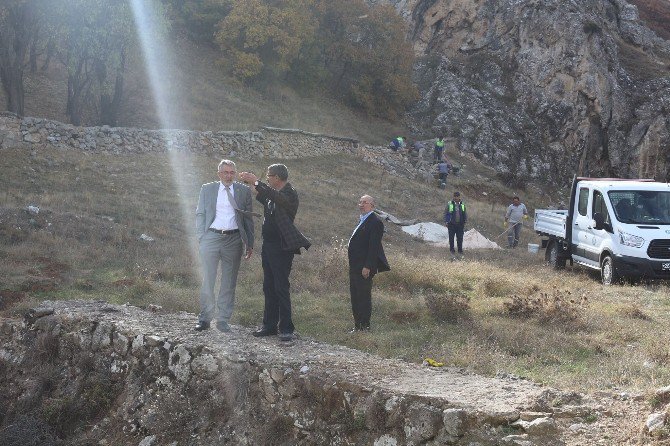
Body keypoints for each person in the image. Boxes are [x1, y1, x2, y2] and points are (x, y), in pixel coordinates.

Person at [238, 164, 310, 342]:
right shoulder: (273, 195)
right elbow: (265, 196)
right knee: (268, 286)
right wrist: (252, 185)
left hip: (281, 247)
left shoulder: (289, 193)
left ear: (277, 177)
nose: (267, 178)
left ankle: (286, 328)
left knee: (280, 287)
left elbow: (277, 197)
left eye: (269, 176)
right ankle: (269, 326)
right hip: (269, 246)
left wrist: (256, 180)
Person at [195, 159, 255, 332]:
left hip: (234, 239)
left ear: (235, 174)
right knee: (208, 278)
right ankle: (205, 318)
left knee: (229, 281)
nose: (229, 176)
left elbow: (248, 219)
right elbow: (200, 213)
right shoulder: (208, 189)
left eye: (232, 173)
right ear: (219, 174)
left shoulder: (243, 191)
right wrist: (201, 236)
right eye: (225, 172)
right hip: (211, 237)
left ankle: (223, 320)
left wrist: (249, 243)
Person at [347, 195, 389, 332]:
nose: (361, 204)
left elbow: (374, 247)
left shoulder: (375, 222)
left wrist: (368, 267)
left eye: (365, 202)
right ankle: (357, 326)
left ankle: (365, 327)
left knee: (363, 297)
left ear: (372, 205)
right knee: (355, 297)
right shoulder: (362, 220)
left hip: (364, 267)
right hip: (354, 266)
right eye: (360, 202)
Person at [444, 191, 467, 256]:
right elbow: (445, 213)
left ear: (459, 197)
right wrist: (446, 221)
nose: (456, 198)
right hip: (451, 224)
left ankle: (460, 251)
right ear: (453, 196)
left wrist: (465, 220)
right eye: (455, 196)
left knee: (460, 239)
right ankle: (452, 251)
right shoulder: (449, 203)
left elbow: (464, 213)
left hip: (460, 225)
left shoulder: (462, 204)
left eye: (457, 196)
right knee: (451, 239)